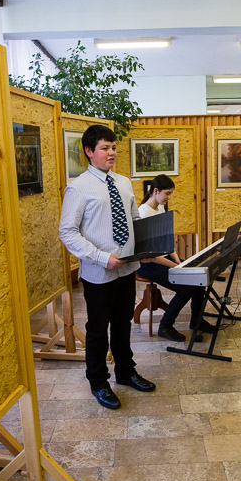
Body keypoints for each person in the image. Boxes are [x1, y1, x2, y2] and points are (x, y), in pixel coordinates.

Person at [59, 124, 156, 410]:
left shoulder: (123, 183)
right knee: (98, 330)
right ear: (89, 152)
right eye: (105, 148)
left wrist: (145, 249)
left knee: (123, 324)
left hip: (126, 269)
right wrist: (102, 258)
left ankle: (125, 371)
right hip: (99, 273)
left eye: (113, 147)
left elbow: (134, 219)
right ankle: (98, 381)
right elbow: (67, 232)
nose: (112, 152)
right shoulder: (78, 188)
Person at [136, 174, 211, 342]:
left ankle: (197, 321)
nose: (169, 197)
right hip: (149, 265)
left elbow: (167, 241)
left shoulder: (160, 208)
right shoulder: (143, 213)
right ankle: (165, 326)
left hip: (162, 259)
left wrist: (177, 260)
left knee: (199, 278)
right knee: (185, 289)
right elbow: (152, 256)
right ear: (156, 191)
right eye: (167, 193)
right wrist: (176, 267)